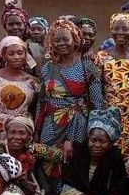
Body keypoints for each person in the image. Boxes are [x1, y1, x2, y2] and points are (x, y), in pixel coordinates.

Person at [36, 17, 104, 159]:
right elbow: (41, 101)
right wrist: (37, 130)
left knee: (73, 164)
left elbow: (98, 104)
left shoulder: (90, 66)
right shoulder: (47, 68)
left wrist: (93, 132)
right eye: (57, 40)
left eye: (65, 39)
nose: (61, 43)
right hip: (51, 124)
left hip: (78, 125)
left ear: (75, 39)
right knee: (47, 164)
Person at [95, 12, 129, 155]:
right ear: (111, 30)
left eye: (125, 29)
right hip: (108, 121)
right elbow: (94, 90)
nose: (120, 32)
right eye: (116, 28)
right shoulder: (101, 57)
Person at [0, 115, 62, 195]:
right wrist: (22, 184)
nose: (17, 137)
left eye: (22, 133)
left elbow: (58, 155)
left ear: (29, 136)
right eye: (12, 132)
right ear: (6, 133)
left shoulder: (32, 148)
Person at [0, 36, 39, 148]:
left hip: (23, 132)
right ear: (4, 56)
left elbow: (34, 110)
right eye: (11, 53)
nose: (16, 57)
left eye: (20, 53)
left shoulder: (32, 82)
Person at [0, 0, 32, 73]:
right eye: (11, 24)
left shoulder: (32, 49)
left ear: (24, 25)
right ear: (5, 26)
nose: (15, 27)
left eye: (18, 23)